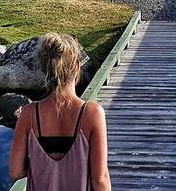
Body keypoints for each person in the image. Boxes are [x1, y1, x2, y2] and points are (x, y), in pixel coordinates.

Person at [9, 32, 111, 191]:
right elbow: (100, 178)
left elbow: (16, 172)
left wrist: (40, 164)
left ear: (43, 68)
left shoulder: (29, 114)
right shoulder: (92, 113)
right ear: (77, 66)